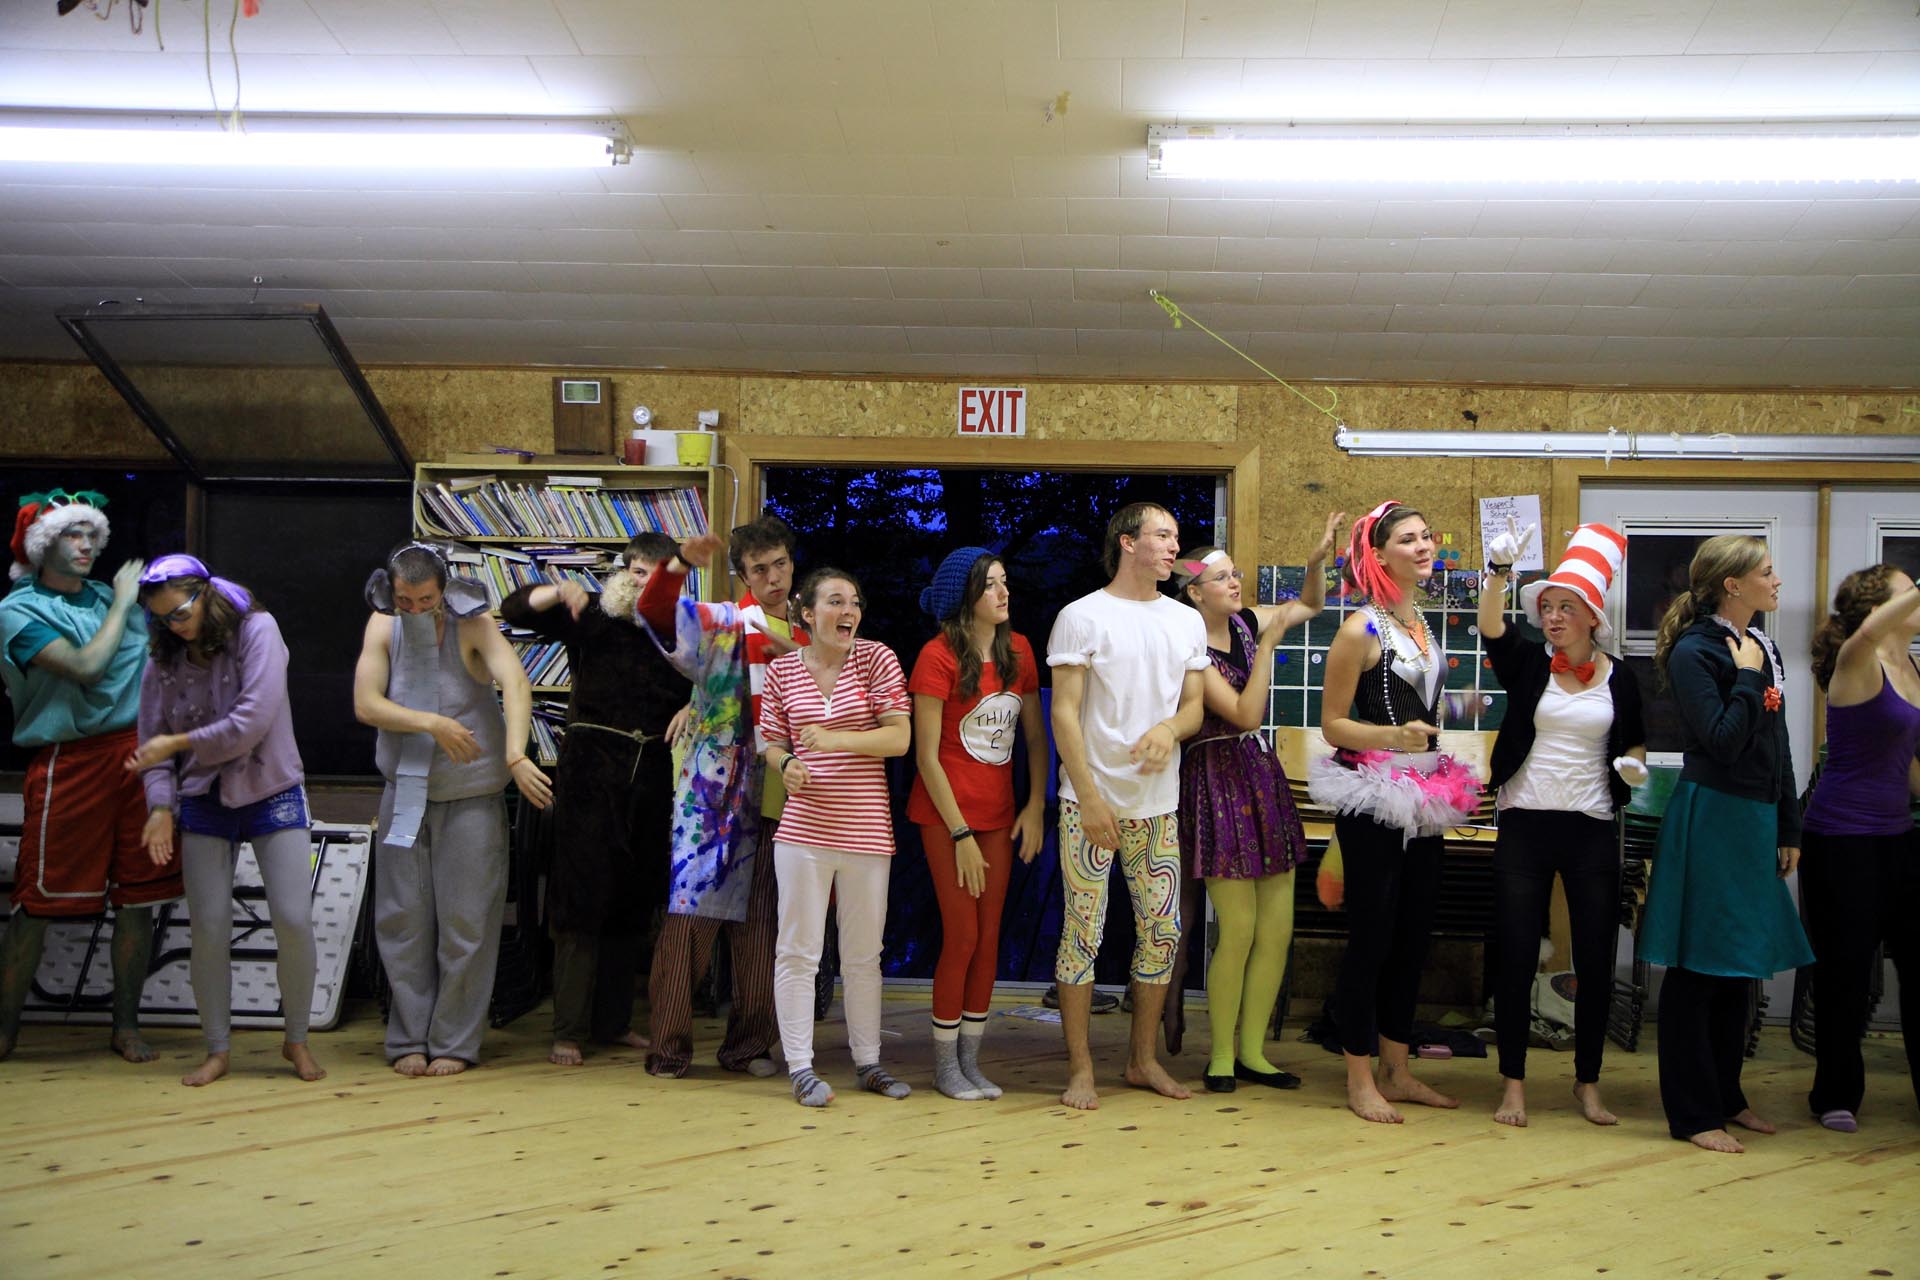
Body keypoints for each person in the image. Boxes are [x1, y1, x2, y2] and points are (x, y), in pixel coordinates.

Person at [1309, 500, 1481, 1124]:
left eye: (1427, 536)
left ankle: (1397, 1070)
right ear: (1378, 555)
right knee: (1373, 939)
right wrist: (1393, 737)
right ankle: (1359, 1078)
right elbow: (1333, 725)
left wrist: (1444, 721)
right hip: (1375, 797)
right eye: (1408, 539)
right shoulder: (1360, 630)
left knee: (1413, 939)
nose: (1424, 546)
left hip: (1426, 796)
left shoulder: (1421, 622)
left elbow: (1421, 708)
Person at [352, 541, 553, 1077]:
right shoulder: (383, 625)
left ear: (444, 591)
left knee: (468, 923)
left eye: (426, 600)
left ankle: (455, 1041)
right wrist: (432, 723)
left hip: (470, 797)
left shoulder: (472, 623)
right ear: (390, 591)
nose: (415, 609)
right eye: (405, 600)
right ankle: (408, 1039)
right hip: (405, 793)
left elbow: (515, 681)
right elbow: (366, 703)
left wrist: (515, 754)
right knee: (402, 922)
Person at [1641, 534, 1812, 1153]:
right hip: (1713, 814)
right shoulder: (1697, 650)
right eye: (1767, 571)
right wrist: (1745, 678)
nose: (1777, 580)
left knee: (1737, 967)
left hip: (1755, 818)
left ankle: (1726, 1096)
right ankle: (1692, 1114)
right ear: (1732, 585)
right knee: (1700, 968)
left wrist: (1788, 825)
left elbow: (1775, 742)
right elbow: (1720, 740)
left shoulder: (1762, 645)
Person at [128, 554, 325, 1087]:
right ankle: (217, 1048)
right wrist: (160, 807)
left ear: (205, 594)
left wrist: (180, 742)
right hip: (203, 798)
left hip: (271, 788)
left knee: (293, 918)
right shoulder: (162, 659)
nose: (174, 625)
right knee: (209, 926)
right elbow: (152, 747)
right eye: (161, 618)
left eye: (180, 612)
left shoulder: (257, 630)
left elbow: (251, 721)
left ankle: (297, 1039)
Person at [500, 532, 691, 1067]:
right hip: (590, 774)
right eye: (637, 572)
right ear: (624, 572)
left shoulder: (682, 632)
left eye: (657, 574)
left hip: (650, 773)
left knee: (633, 900)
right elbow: (515, 609)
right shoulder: (596, 616)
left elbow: (721, 678)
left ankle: (614, 1022)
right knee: (580, 899)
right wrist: (555, 592)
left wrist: (695, 703)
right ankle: (568, 1029)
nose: (645, 582)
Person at [0, 490, 178, 1062]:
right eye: (71, 535)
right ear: (41, 545)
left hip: (137, 753)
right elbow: (86, 666)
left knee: (138, 900)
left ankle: (125, 1027)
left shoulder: (106, 595)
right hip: (70, 760)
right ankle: (4, 1031)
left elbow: (166, 656)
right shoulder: (17, 611)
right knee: (37, 902)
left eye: (91, 536)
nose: (86, 546)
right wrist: (125, 602)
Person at [1478, 523, 1646, 1127]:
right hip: (1525, 822)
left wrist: (1633, 767)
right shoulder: (1529, 664)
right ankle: (1513, 1084)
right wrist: (1498, 574)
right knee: (1517, 955)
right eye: (1546, 607)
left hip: (1591, 826)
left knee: (1595, 959)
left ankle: (1588, 1083)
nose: (1551, 617)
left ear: (1592, 618)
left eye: (1565, 608)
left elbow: (1636, 742)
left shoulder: (1622, 677)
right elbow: (1491, 626)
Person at [1167, 512, 1341, 1094]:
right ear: (1195, 593)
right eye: (1221, 577)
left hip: (1259, 777)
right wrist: (1267, 646)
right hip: (1215, 779)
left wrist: (1314, 564)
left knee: (1276, 930)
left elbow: (1310, 605)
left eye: (1235, 573)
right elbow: (1245, 714)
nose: (1234, 582)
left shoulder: (1246, 620)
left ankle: (1252, 1054)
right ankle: (1220, 1056)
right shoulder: (1190, 647)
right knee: (1237, 929)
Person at [1047, 501, 1208, 1110]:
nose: (1173, 547)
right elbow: (1064, 712)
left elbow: (1194, 708)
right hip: (1087, 804)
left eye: (1175, 537)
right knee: (1082, 933)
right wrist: (1088, 796)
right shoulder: (1081, 616)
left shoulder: (1185, 621)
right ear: (1127, 542)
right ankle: (1081, 1069)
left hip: (1157, 807)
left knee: (1162, 933)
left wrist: (1169, 729)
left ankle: (1142, 1061)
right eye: (1162, 535)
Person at [635, 516, 804, 1079]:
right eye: (760, 569)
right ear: (742, 576)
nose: (773, 578)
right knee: (689, 917)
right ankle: (668, 1049)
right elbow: (655, 610)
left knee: (762, 923)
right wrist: (681, 563)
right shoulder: (725, 622)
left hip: (783, 794)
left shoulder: (811, 630)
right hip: (714, 795)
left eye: (780, 564)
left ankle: (749, 1047)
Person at [758, 567, 911, 1106]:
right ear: (807, 613)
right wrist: (787, 765)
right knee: (798, 951)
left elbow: (899, 738)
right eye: (836, 601)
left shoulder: (877, 658)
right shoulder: (782, 671)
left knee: (864, 954)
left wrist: (833, 738)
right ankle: (801, 1068)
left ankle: (868, 1063)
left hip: (866, 830)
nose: (849, 611)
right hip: (803, 831)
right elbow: (771, 742)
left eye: (855, 602)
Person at [907, 547, 1046, 1101]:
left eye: (1004, 581)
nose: (1003, 593)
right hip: (947, 818)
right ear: (964, 596)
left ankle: (970, 1062)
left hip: (999, 817)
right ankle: (945, 1067)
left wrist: (1034, 806)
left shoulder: (1020, 651)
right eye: (991, 584)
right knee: (962, 934)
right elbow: (925, 757)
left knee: (989, 938)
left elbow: (1035, 738)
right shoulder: (936, 656)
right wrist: (960, 833)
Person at [1800, 564, 1920, 1132]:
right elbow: (1867, 633)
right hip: (1841, 841)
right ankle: (1835, 1096)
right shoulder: (1857, 659)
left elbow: (1906, 764)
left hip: (1898, 837)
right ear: (1878, 610)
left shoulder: (1910, 664)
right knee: (1845, 974)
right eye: (1908, 592)